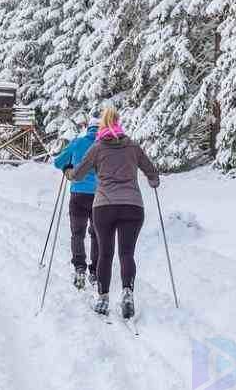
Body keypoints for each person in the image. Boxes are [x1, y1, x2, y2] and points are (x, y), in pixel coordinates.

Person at [66, 107, 159, 319]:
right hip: (132, 206)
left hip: (104, 206)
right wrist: (154, 181)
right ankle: (127, 291)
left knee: (105, 254)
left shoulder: (97, 148)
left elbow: (79, 174)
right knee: (126, 253)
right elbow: (151, 171)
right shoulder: (133, 147)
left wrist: (68, 171)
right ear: (118, 123)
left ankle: (103, 297)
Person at [54, 117, 100, 290]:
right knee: (97, 234)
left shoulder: (78, 142)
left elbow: (58, 162)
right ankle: (95, 271)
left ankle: (80, 267)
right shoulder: (106, 145)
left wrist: (68, 166)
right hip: (100, 196)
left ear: (88, 128)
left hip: (78, 194)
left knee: (77, 233)